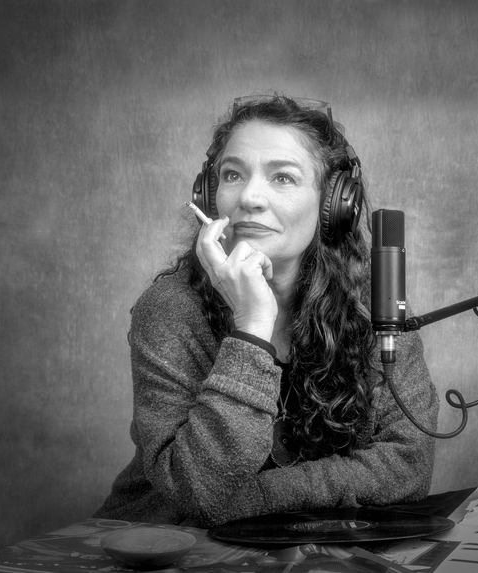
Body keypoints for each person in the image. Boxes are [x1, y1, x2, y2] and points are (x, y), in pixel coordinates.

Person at [93, 94, 439, 528]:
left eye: (283, 178)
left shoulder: (373, 306)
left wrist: (257, 498)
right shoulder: (170, 310)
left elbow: (408, 465)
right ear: (209, 195)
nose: (250, 197)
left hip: (304, 548)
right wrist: (252, 329)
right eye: (233, 174)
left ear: (334, 204)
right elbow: (197, 492)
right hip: (165, 545)